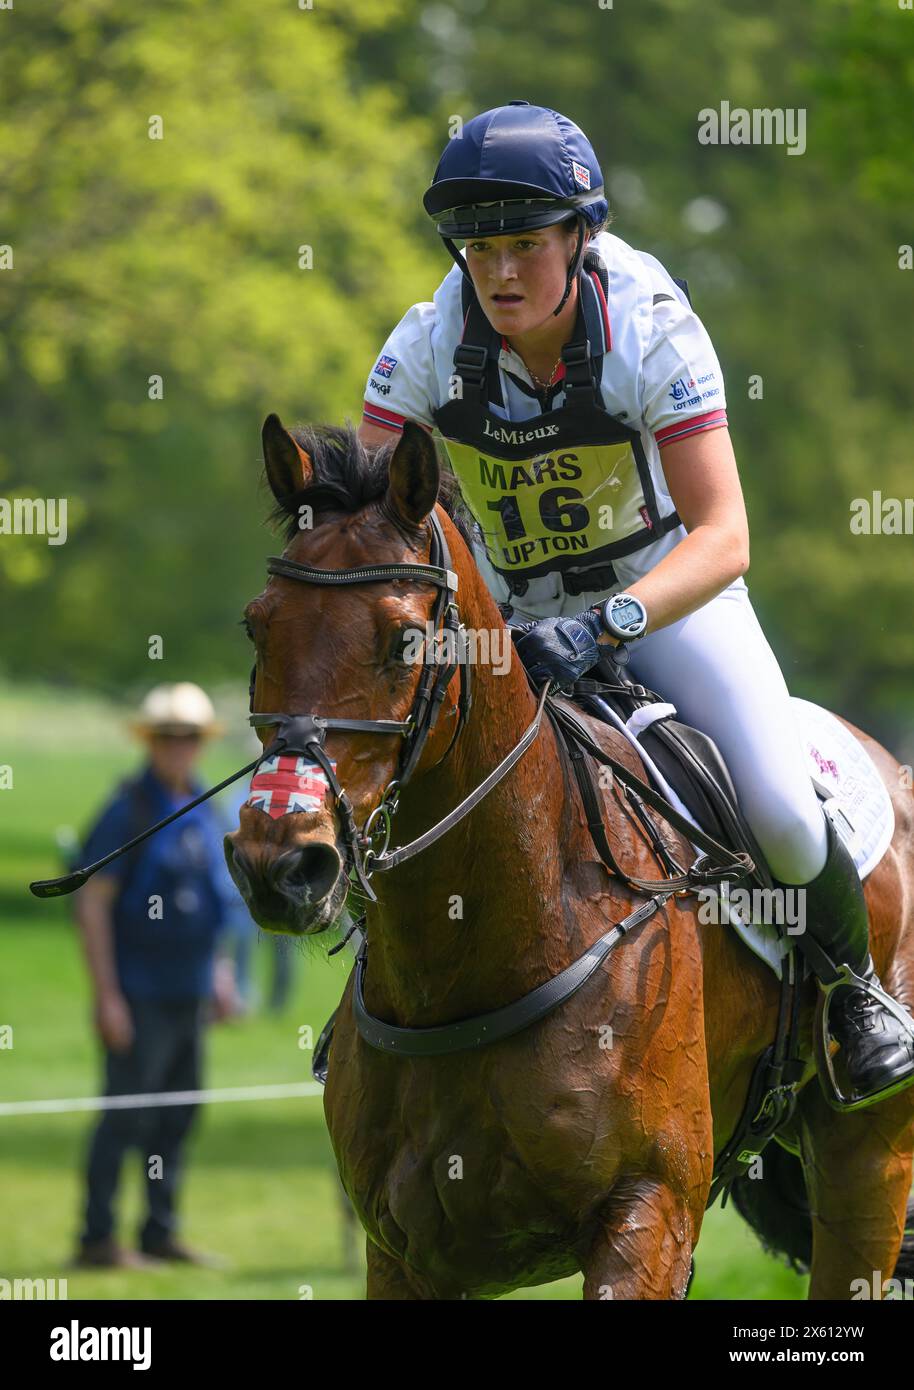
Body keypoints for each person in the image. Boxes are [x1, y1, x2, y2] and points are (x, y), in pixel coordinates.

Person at [357, 100, 914, 1107]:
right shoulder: (423, 349)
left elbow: (723, 535)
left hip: (666, 604)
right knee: (392, 782)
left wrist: (608, 622)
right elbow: (371, 514)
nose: (500, 272)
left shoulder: (649, 329)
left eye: (525, 242)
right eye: (479, 247)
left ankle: (853, 991)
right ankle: (375, 1012)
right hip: (511, 623)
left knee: (783, 813)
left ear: (580, 235)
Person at [72, 682, 238, 1268]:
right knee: (125, 1115)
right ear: (151, 741)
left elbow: (210, 900)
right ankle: (96, 1239)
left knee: (176, 1117)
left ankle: (159, 1231)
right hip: (138, 992)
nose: (179, 746)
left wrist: (219, 976)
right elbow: (92, 904)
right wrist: (107, 996)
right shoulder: (128, 809)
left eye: (189, 736)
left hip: (189, 991)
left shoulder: (205, 804)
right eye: (168, 736)